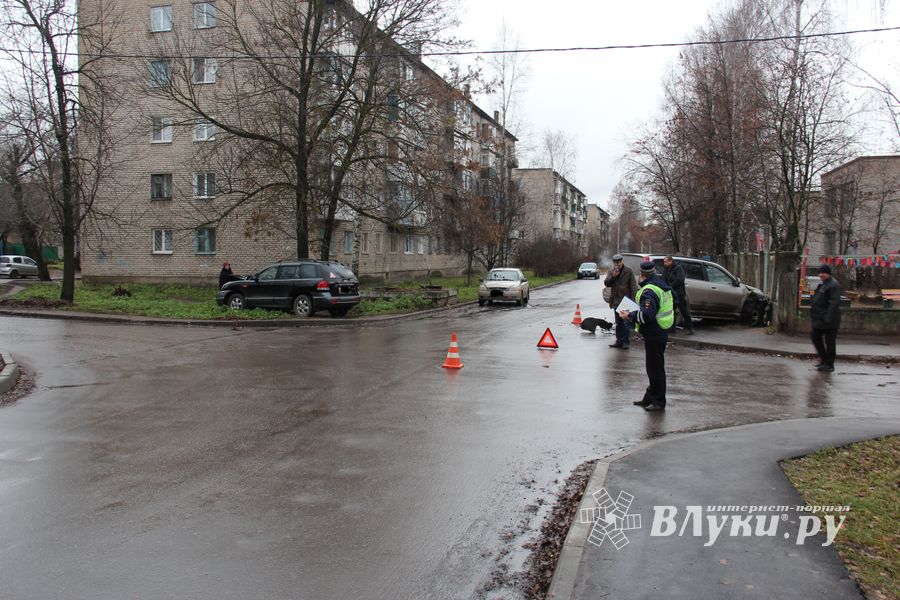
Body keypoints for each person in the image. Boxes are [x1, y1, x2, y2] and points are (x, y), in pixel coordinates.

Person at [619, 261, 674, 411]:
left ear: (641, 275)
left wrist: (629, 315)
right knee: (653, 367)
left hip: (655, 331)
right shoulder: (660, 283)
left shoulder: (649, 291)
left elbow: (646, 315)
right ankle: (649, 397)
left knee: (655, 368)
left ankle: (658, 401)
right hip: (660, 329)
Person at [810, 264, 841, 372]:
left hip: (829, 320)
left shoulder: (833, 285)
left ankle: (829, 364)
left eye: (823, 273)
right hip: (820, 319)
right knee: (815, 337)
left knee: (830, 342)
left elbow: (834, 303)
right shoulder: (824, 284)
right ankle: (824, 360)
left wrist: (828, 318)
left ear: (828, 273)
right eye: (820, 273)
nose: (820, 275)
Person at [604, 254, 638, 349]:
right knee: (618, 322)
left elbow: (633, 286)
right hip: (616, 300)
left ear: (622, 261)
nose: (618, 264)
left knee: (625, 323)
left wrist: (633, 300)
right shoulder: (612, 271)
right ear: (614, 263)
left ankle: (626, 341)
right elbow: (606, 283)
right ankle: (619, 341)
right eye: (616, 262)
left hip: (626, 301)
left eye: (619, 262)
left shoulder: (628, 271)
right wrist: (613, 276)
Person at [662, 255, 694, 334]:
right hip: (670, 294)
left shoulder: (678, 268)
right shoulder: (666, 269)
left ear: (670, 261)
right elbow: (664, 278)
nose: (664, 263)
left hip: (679, 293)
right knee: (671, 310)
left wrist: (670, 286)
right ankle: (672, 328)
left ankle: (690, 328)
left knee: (683, 310)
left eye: (666, 261)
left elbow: (680, 280)